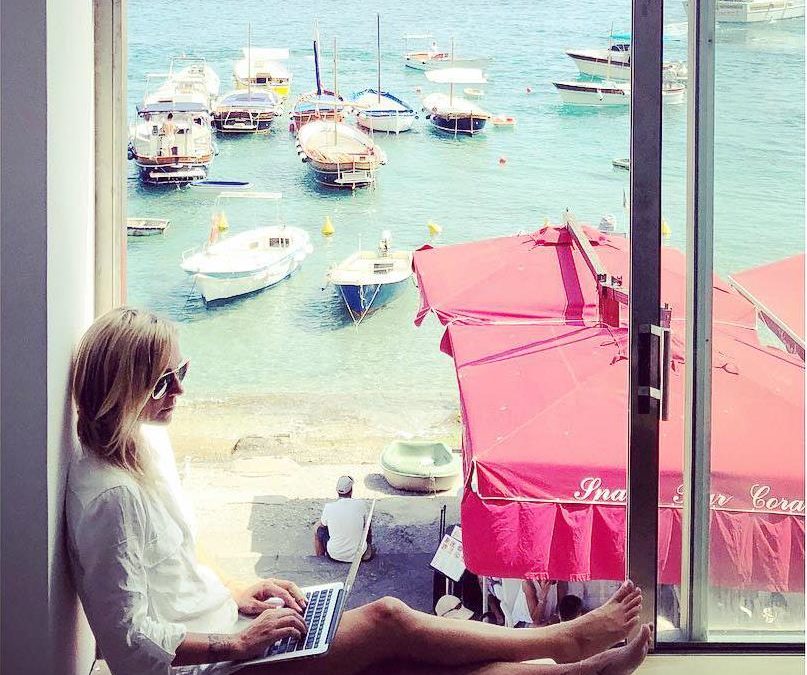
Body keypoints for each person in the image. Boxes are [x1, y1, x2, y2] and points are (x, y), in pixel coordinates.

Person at [66, 307, 653, 675]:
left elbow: (177, 557)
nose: (179, 393)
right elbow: (129, 645)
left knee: (403, 660)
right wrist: (238, 647)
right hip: (207, 666)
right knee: (390, 621)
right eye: (162, 383)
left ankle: (574, 670)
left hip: (228, 624)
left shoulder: (144, 444)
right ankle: (566, 641)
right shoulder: (109, 499)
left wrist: (241, 590)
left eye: (182, 372)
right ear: (121, 391)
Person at [313, 476, 374, 563]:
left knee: (317, 529)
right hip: (358, 554)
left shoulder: (329, 507)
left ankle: (320, 560)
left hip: (335, 554)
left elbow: (322, 525)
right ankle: (367, 548)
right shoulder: (361, 505)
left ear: (337, 491)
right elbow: (367, 526)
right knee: (367, 525)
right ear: (351, 491)